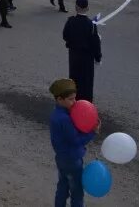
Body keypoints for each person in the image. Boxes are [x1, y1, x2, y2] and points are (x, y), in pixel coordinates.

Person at [49, 78, 98, 207]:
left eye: (74, 98)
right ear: (59, 99)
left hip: (61, 158)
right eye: (71, 99)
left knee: (63, 187)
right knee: (77, 192)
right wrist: (93, 132)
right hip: (72, 160)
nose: (75, 102)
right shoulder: (64, 119)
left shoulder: (56, 114)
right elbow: (75, 141)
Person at [62, 0, 101, 101]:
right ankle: (86, 105)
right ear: (88, 8)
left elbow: (65, 36)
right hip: (87, 59)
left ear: (76, 7)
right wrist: (98, 58)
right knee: (87, 82)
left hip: (74, 56)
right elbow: (95, 44)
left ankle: (73, 101)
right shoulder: (91, 25)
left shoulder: (70, 21)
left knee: (74, 80)